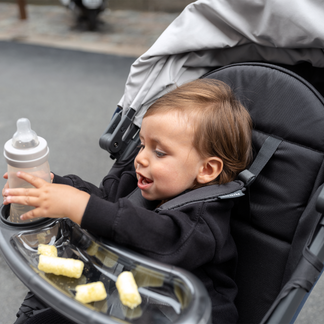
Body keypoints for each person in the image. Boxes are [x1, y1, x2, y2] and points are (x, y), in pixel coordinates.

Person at [3, 79, 252, 324]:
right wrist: (56, 185)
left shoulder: (203, 222)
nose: (141, 159)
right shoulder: (138, 183)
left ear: (207, 169)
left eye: (160, 152)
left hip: (177, 313)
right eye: (142, 145)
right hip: (123, 297)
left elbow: (157, 237)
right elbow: (104, 202)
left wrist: (79, 206)